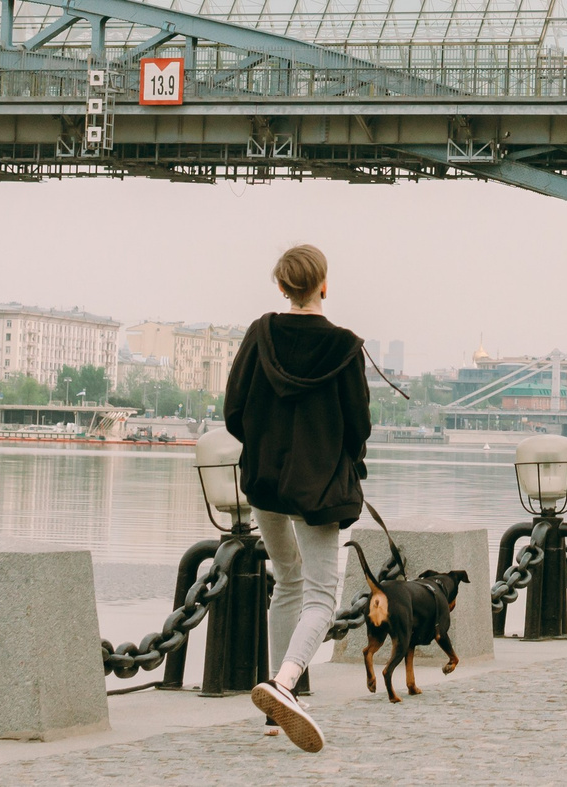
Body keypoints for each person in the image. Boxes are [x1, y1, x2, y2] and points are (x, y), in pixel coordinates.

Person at [223, 243, 371, 753]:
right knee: (321, 597)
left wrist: (266, 447)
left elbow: (234, 410)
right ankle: (285, 685)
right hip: (320, 484)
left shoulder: (259, 334)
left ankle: (274, 711)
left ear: (282, 287)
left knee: (285, 582)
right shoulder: (347, 347)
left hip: (265, 479)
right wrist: (339, 457)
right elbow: (358, 425)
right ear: (323, 285)